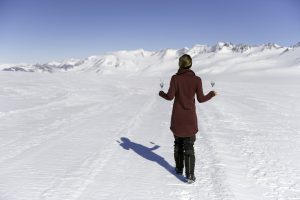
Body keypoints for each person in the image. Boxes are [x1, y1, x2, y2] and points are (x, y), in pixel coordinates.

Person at [159, 54, 216, 183]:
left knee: (178, 144)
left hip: (177, 119)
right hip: (190, 119)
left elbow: (169, 97)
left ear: (180, 65)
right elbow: (201, 99)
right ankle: (190, 175)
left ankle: (179, 169)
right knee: (189, 146)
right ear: (190, 65)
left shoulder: (175, 78)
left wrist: (161, 93)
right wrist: (211, 94)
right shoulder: (197, 80)